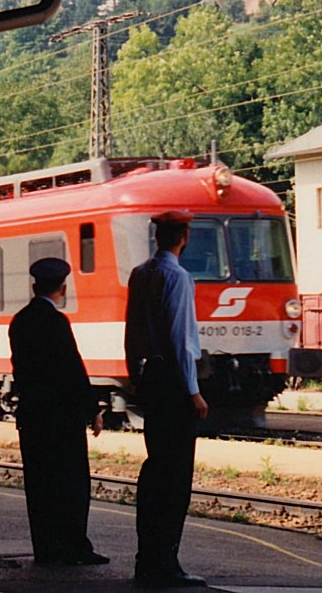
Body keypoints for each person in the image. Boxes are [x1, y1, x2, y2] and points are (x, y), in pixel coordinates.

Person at [124, 211, 209, 588]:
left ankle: (148, 558)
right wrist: (193, 391)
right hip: (174, 385)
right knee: (175, 478)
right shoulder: (178, 277)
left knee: (156, 470)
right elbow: (179, 339)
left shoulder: (140, 274)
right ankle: (166, 562)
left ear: (158, 236)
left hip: (150, 379)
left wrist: (134, 376)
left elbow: (131, 332)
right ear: (184, 236)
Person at [9, 257, 108, 567]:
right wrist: (93, 408)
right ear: (62, 288)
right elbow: (72, 369)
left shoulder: (20, 320)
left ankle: (46, 549)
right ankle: (75, 547)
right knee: (72, 483)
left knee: (39, 485)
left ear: (35, 285)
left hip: (32, 415)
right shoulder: (57, 322)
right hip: (62, 419)